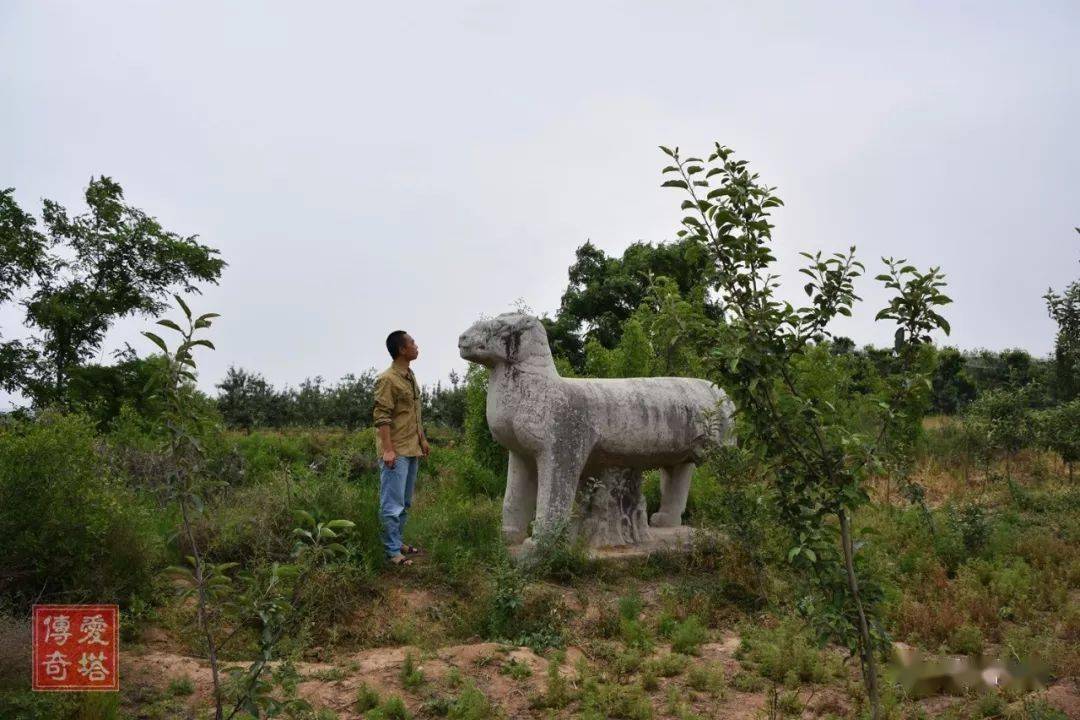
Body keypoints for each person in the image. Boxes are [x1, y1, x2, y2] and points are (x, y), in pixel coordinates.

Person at [373, 330, 430, 566]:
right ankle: (391, 552)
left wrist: (422, 438)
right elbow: (382, 416)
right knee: (392, 503)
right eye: (412, 343)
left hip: (412, 447)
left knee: (404, 502)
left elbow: (412, 413)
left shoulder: (409, 376)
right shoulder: (387, 379)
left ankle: (397, 542)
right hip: (395, 451)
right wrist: (388, 449)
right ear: (402, 350)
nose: (417, 346)